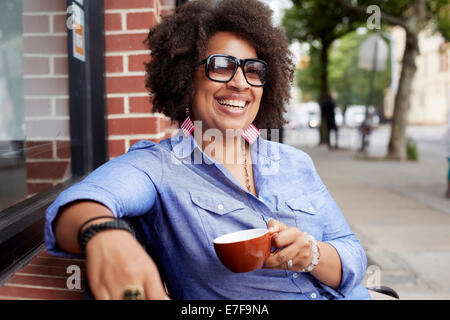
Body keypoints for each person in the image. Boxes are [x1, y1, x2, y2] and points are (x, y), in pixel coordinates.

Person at [44, 0, 371, 300]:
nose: (240, 83)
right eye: (221, 66)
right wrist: (105, 233)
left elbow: (352, 253)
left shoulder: (294, 161)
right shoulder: (160, 165)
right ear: (185, 77)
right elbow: (80, 203)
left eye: (253, 70)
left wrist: (311, 254)